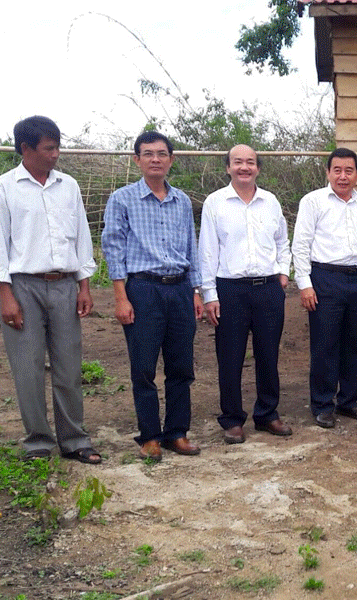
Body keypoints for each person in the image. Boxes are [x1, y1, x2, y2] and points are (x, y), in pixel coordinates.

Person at [0, 116, 101, 464]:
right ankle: (38, 442)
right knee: (28, 367)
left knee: (69, 367)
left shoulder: (69, 186)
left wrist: (84, 285)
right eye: (49, 148)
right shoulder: (2, 189)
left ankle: (75, 439)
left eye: (57, 147)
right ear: (26, 148)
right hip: (22, 287)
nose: (55, 154)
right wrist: (5, 295)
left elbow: (81, 237)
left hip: (64, 285)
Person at [101, 131, 204, 461]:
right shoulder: (122, 199)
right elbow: (113, 248)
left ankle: (177, 432)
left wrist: (196, 291)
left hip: (180, 289)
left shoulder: (182, 201)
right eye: (148, 154)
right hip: (143, 290)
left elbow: (191, 247)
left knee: (181, 366)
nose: (155, 159)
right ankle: (149, 436)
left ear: (171, 160)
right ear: (137, 160)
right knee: (144, 367)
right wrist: (121, 297)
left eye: (161, 154)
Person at [198, 144, 292, 443]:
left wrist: (283, 272)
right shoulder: (215, 203)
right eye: (238, 162)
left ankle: (267, 414)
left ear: (258, 168)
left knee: (268, 354)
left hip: (268, 288)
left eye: (250, 162)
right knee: (230, 356)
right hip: (230, 289)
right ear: (228, 167)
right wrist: (209, 294)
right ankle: (232, 419)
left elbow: (282, 241)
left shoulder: (271, 201)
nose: (244, 167)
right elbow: (207, 250)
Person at [292, 148, 357, 428]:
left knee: (354, 344)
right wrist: (305, 285)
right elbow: (301, 245)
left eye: (349, 171)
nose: (343, 176)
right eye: (337, 170)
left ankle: (348, 401)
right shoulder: (313, 201)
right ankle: (322, 404)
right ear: (328, 172)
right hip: (325, 279)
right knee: (325, 344)